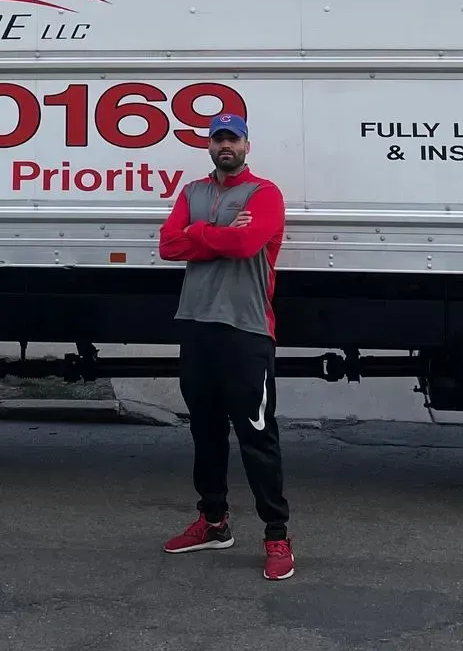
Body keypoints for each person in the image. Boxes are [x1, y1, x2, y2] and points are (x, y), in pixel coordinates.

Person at [157, 112, 293, 581]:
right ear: (209, 145)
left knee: (257, 436)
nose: (224, 146)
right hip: (196, 326)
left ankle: (277, 535)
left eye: (232, 138)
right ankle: (214, 523)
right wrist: (213, 233)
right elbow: (167, 246)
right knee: (205, 432)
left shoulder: (265, 194)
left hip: (246, 330)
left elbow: (248, 242)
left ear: (246, 145)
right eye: (218, 139)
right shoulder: (193, 192)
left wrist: (197, 234)